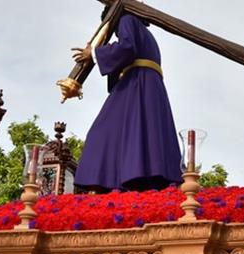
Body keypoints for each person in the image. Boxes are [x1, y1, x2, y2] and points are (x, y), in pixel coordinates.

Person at [71, 11, 182, 192]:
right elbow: (125, 56)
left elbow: (127, 48)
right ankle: (134, 174)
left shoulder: (126, 20)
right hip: (147, 86)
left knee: (101, 132)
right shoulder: (144, 33)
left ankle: (113, 178)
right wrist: (104, 53)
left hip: (138, 84)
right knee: (141, 134)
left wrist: (94, 54)